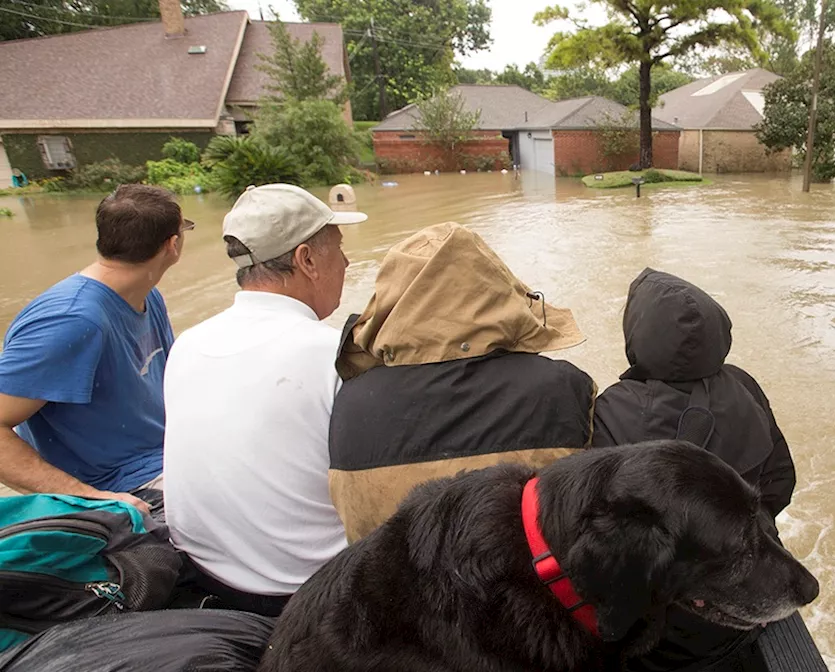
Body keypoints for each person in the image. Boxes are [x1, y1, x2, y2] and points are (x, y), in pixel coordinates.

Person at [162, 184, 365, 616]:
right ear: (306, 259)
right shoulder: (332, 355)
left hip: (203, 574)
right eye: (338, 249)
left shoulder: (189, 342)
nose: (347, 263)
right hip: (303, 596)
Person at [328, 223, 595, 542]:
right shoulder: (562, 386)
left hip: (398, 591)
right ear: (496, 291)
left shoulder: (350, 403)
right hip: (525, 590)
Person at [591, 268, 797, 672]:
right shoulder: (745, 385)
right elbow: (781, 482)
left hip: (659, 641)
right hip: (746, 607)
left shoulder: (611, 410)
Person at [0, 184, 190, 514]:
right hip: (123, 487)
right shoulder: (70, 320)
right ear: (173, 245)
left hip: (168, 456)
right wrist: (89, 497)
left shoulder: (146, 295)